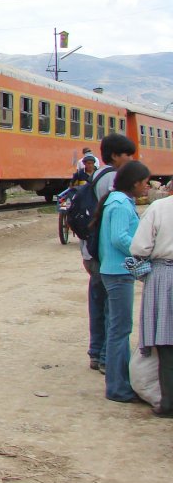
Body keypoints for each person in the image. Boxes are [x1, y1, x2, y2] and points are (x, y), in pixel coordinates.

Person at [92, 159, 151, 402]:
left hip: (115, 271)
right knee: (120, 330)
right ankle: (117, 387)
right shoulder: (120, 204)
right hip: (118, 273)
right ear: (134, 182)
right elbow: (119, 238)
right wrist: (143, 249)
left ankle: (121, 383)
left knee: (118, 328)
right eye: (146, 183)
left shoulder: (117, 201)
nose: (147, 187)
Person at [83, 134, 137, 373]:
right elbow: (117, 231)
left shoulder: (96, 174)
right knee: (110, 309)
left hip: (90, 249)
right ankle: (106, 358)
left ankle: (96, 352)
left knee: (96, 302)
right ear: (116, 155)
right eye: (128, 155)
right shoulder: (115, 180)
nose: (131, 159)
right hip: (106, 254)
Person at [130, 192, 173, 417]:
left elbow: (139, 248)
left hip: (164, 275)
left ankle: (168, 403)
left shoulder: (159, 207)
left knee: (165, 342)